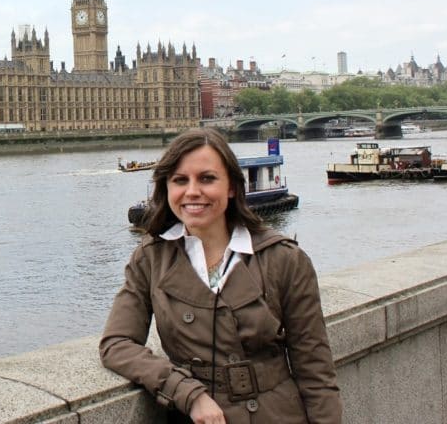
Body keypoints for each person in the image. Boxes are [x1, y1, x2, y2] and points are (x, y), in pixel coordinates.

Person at [100, 128, 342, 423]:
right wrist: (187, 392)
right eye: (180, 180)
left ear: (231, 186)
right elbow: (116, 344)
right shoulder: (151, 258)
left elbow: (316, 373)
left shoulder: (284, 260)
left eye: (207, 178)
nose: (192, 191)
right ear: (167, 189)